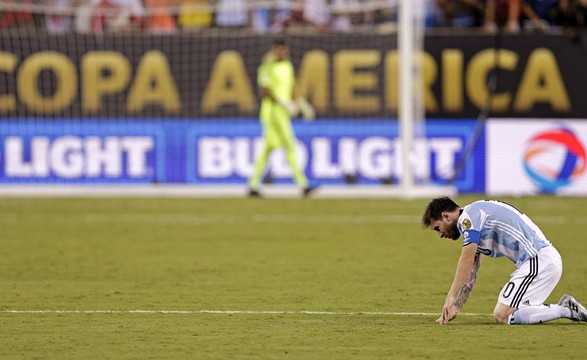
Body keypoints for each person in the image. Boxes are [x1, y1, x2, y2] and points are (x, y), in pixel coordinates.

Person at [421, 196, 587, 325]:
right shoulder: (474, 224)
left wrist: (451, 295)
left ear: (446, 216)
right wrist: (456, 306)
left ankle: (566, 309)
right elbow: (471, 272)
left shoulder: (469, 218)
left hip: (538, 260)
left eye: (437, 228)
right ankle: (565, 309)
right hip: (539, 262)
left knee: (502, 315)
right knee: (512, 315)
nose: (440, 234)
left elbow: (466, 258)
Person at [248, 40, 313, 198]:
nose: (283, 53)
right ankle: (303, 184)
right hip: (272, 112)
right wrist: (283, 103)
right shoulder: (267, 67)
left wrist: (300, 103)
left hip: (283, 112)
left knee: (268, 148)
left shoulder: (288, 66)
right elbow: (264, 90)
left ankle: (253, 184)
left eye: (285, 50)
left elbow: (290, 89)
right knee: (289, 144)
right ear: (275, 51)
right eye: (280, 50)